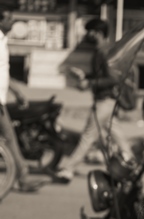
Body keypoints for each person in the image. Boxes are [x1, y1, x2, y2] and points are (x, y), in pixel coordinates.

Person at [51, 18, 134, 184]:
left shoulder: (105, 51)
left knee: (88, 136)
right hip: (106, 100)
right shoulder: (102, 50)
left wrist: (89, 82)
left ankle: (68, 170)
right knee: (117, 134)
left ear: (97, 33)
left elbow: (112, 79)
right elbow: (102, 76)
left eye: (90, 31)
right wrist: (85, 77)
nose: (87, 35)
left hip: (106, 100)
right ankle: (132, 164)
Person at [0, 4, 45, 192]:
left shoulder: (3, 39)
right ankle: (23, 178)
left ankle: (23, 177)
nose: (12, 21)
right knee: (10, 139)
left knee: (10, 139)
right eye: (9, 17)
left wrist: (17, 92)